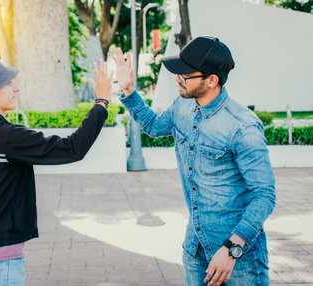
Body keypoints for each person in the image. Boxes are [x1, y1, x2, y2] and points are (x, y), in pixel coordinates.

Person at [113, 36, 276, 286]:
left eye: (185, 74)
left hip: (238, 257)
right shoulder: (182, 105)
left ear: (211, 80)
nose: (178, 78)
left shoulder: (242, 127)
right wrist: (127, 89)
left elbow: (264, 195)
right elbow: (154, 126)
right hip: (195, 248)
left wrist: (232, 249)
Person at [0, 56, 112, 286]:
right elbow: (73, 148)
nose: (16, 88)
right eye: (8, 83)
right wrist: (101, 102)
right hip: (1, 259)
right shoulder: (8, 136)